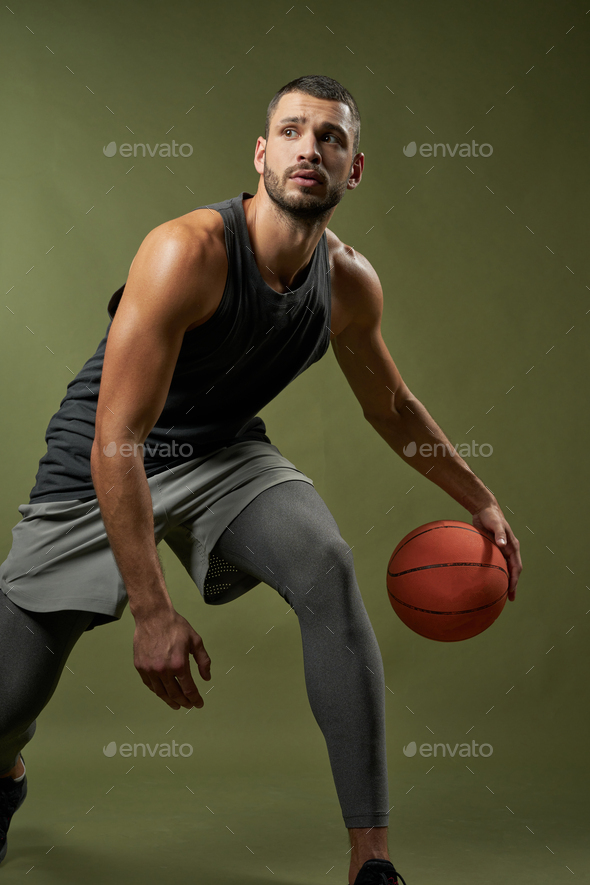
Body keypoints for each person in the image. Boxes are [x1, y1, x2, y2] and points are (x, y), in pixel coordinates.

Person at [0, 73, 522, 884]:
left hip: (223, 456)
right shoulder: (187, 252)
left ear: (354, 170)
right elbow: (118, 438)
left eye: (330, 137)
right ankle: (6, 775)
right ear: (261, 153)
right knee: (5, 707)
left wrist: (479, 500)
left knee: (326, 564)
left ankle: (371, 861)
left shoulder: (348, 284)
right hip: (102, 463)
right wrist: (152, 612)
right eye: (291, 131)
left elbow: (392, 406)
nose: (309, 147)